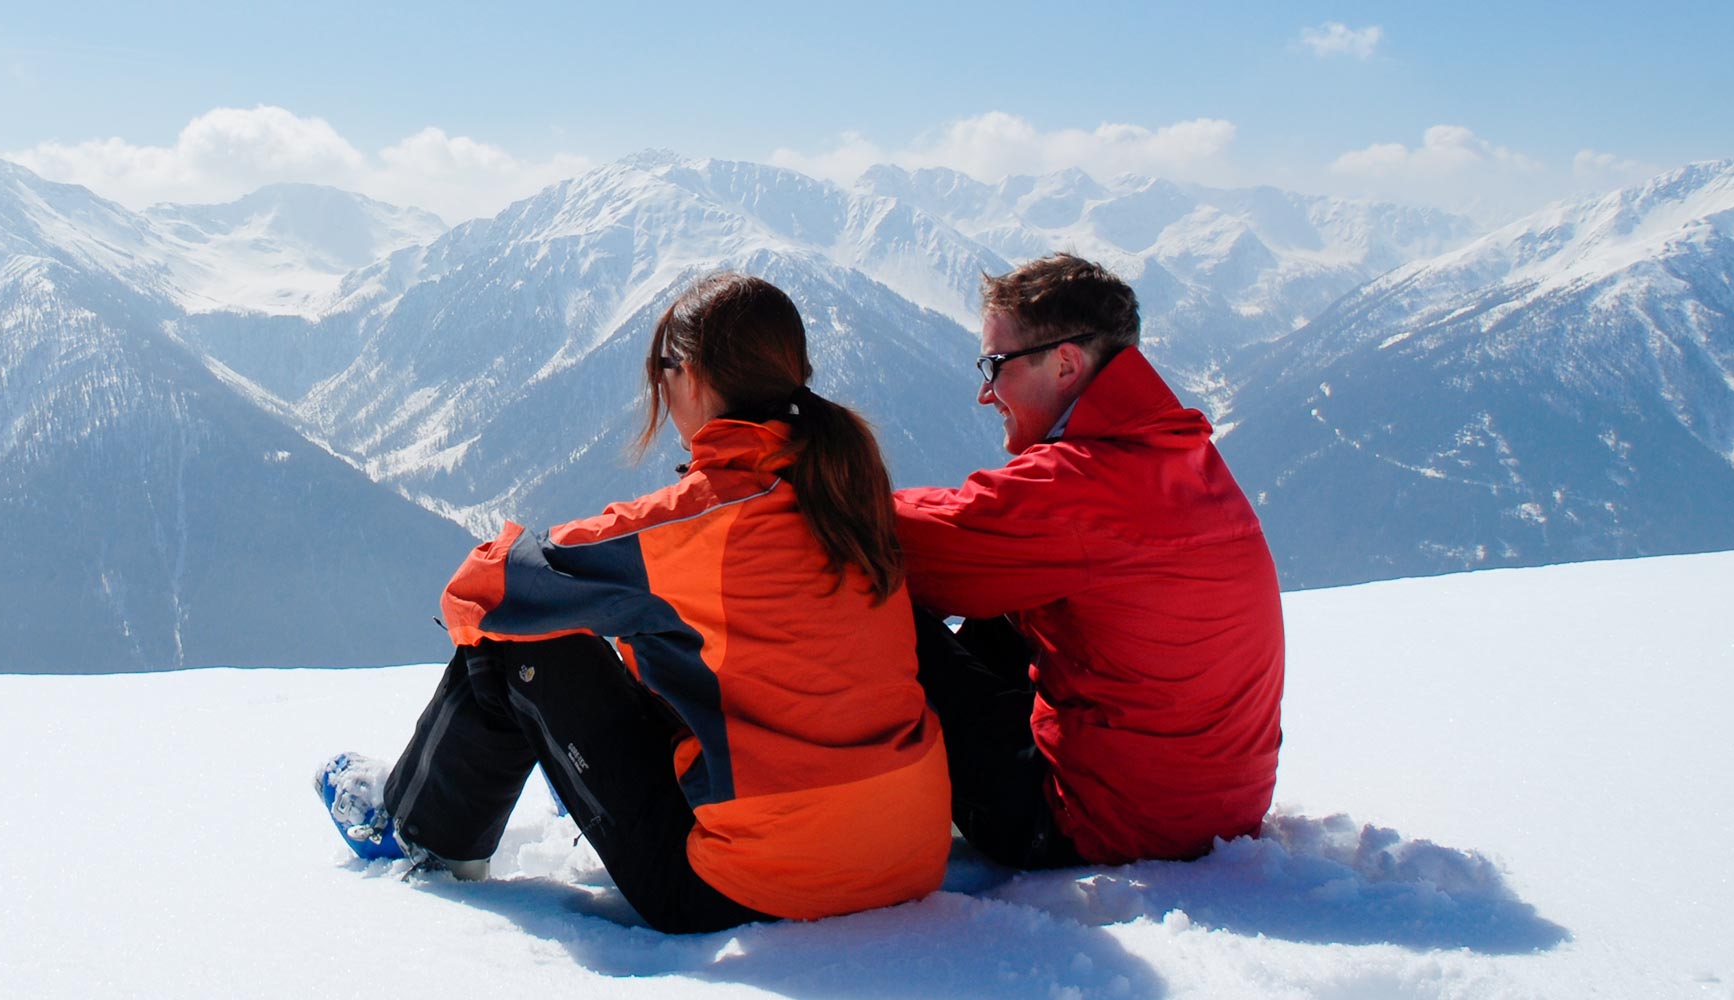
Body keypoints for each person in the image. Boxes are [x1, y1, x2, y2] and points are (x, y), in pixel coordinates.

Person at [317, 273, 951, 934]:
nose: (658, 384)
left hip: (747, 888)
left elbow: (491, 585)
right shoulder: (853, 493)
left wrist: (498, 620)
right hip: (908, 856)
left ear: (697, 378)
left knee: (526, 642)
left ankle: (415, 829)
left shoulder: (699, 521)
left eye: (662, 367)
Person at [893, 253, 1285, 870]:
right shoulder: (1181, 457)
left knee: (875, 603)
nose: (983, 392)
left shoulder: (1082, 485)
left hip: (1106, 823)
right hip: (1219, 807)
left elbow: (913, 537)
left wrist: (795, 492)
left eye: (995, 367)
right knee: (1016, 595)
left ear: (1067, 363)